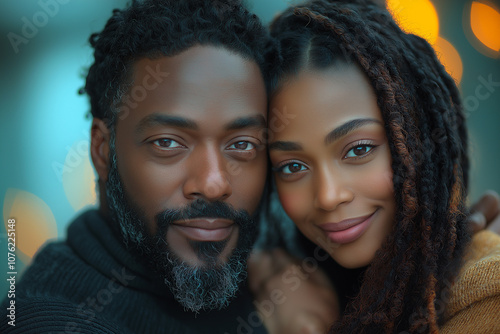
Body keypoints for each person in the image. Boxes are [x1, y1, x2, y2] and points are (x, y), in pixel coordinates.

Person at [252, 0, 500, 333]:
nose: (328, 196)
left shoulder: (486, 295)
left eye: (359, 150)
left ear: (418, 134)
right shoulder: (294, 284)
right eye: (292, 166)